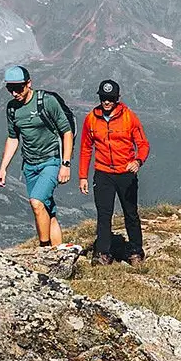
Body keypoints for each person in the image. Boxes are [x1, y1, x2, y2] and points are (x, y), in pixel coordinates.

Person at [0, 65, 78, 252]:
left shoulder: (47, 102)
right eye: (10, 89)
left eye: (18, 88)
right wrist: (3, 168)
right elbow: (13, 138)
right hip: (30, 165)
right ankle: (59, 253)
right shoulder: (12, 109)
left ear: (29, 83)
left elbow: (67, 132)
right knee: (47, 210)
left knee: (36, 202)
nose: (14, 93)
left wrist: (66, 164)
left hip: (52, 160)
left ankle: (44, 249)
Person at [78, 78, 151, 264]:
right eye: (103, 98)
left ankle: (135, 251)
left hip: (126, 172)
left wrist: (138, 161)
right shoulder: (91, 119)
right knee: (104, 213)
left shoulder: (128, 117)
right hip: (103, 173)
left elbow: (142, 144)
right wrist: (82, 176)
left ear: (117, 98)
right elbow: (86, 148)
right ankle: (103, 253)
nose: (107, 102)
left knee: (130, 212)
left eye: (110, 98)